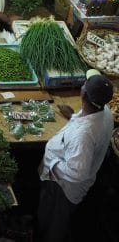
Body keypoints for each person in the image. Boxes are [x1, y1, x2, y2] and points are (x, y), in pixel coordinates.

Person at [38, 72, 114, 242]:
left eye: (84, 84)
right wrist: (73, 117)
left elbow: (77, 173)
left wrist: (53, 164)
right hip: (61, 179)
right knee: (48, 216)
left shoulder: (84, 135)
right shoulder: (104, 111)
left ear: (83, 94)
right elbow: (86, 122)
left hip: (62, 187)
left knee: (54, 225)